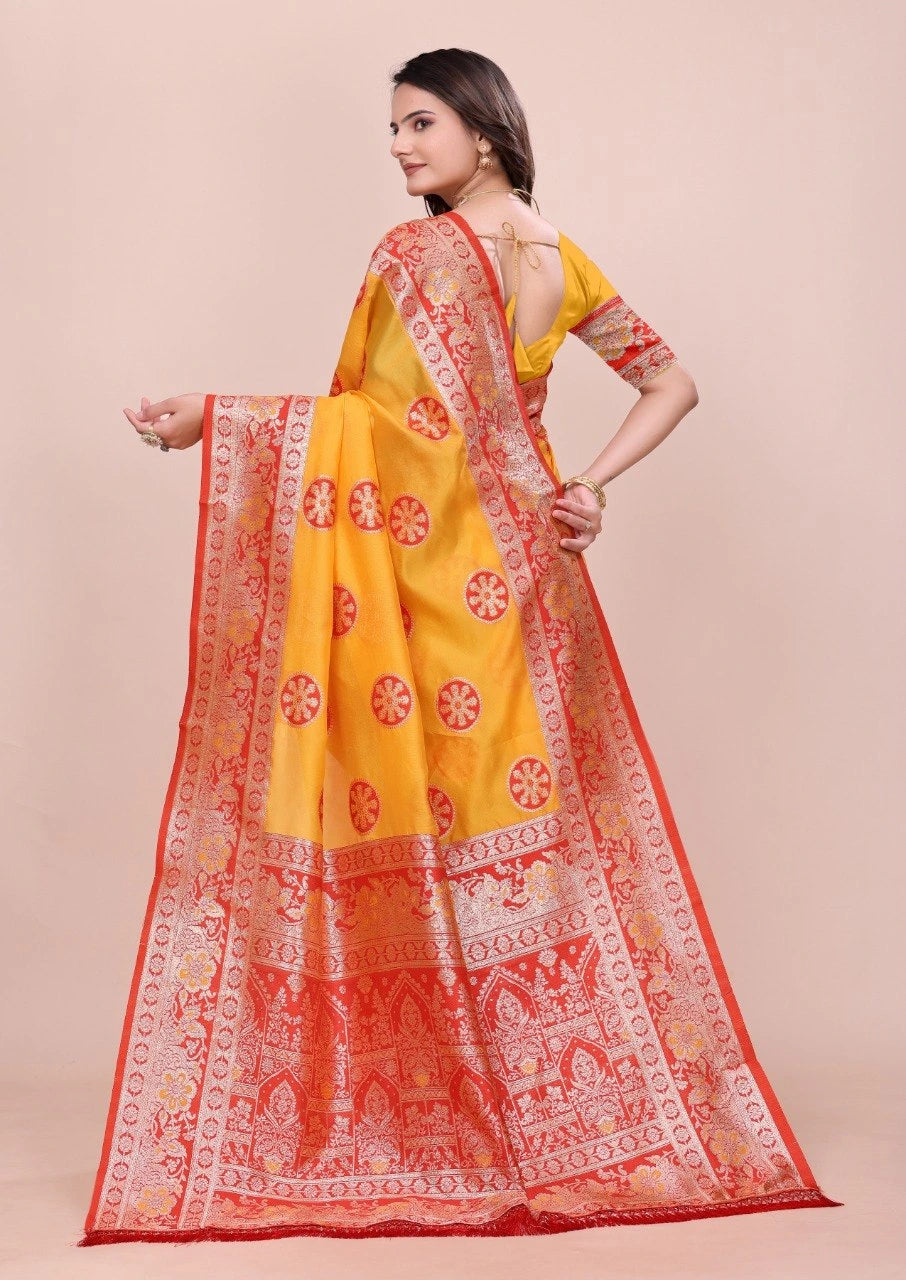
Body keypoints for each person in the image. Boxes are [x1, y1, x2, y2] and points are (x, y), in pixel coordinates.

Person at [80, 48, 841, 1246]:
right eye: (392, 128)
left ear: (483, 129)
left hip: (423, 584)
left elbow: (375, 430)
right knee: (524, 836)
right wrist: (585, 483)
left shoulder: (416, 259)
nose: (398, 146)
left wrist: (215, 421)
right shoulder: (556, 255)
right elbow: (671, 381)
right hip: (528, 583)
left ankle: (453, 1112)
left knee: (433, 825)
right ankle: (561, 1113)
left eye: (418, 122)